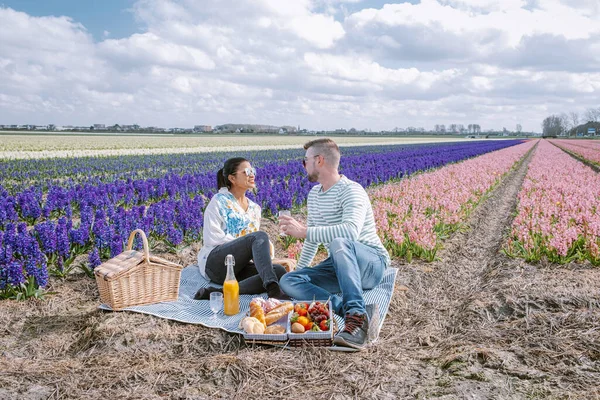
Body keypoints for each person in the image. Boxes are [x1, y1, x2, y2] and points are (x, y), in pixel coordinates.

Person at [278, 139, 390, 349]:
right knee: (288, 281)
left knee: (340, 242)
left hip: (371, 263)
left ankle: (357, 319)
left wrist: (303, 231)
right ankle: (345, 309)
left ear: (319, 160)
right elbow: (312, 239)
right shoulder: (314, 194)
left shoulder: (352, 190)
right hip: (341, 265)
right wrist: (301, 274)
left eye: (305, 160)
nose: (303, 165)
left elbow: (350, 232)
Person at [194, 157, 288, 300]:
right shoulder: (218, 201)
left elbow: (253, 247)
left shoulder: (255, 208)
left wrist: (258, 249)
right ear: (232, 178)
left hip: (239, 268)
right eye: (247, 171)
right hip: (216, 265)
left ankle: (220, 293)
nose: (252, 175)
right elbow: (211, 238)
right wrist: (247, 243)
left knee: (278, 271)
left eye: (253, 171)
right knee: (258, 236)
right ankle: (273, 290)